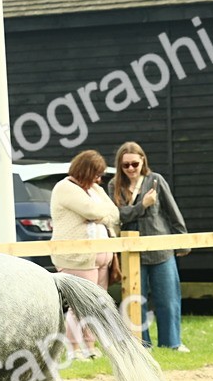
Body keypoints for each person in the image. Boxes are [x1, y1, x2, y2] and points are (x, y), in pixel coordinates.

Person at [111, 141, 190, 352]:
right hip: (132, 251)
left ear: (142, 160)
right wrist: (142, 206)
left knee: (168, 298)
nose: (130, 169)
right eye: (125, 165)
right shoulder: (114, 186)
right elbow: (119, 215)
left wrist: (182, 239)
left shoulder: (156, 180)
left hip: (160, 248)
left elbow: (173, 211)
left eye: (134, 164)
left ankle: (172, 342)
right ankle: (142, 344)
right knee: (137, 300)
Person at [50, 150, 119, 359]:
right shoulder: (65, 188)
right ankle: (73, 349)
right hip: (77, 258)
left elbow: (114, 212)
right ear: (85, 171)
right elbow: (91, 211)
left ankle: (90, 346)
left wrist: (103, 215)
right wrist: (102, 215)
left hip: (101, 258)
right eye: (96, 174)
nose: (98, 179)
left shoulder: (95, 189)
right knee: (79, 305)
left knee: (97, 304)